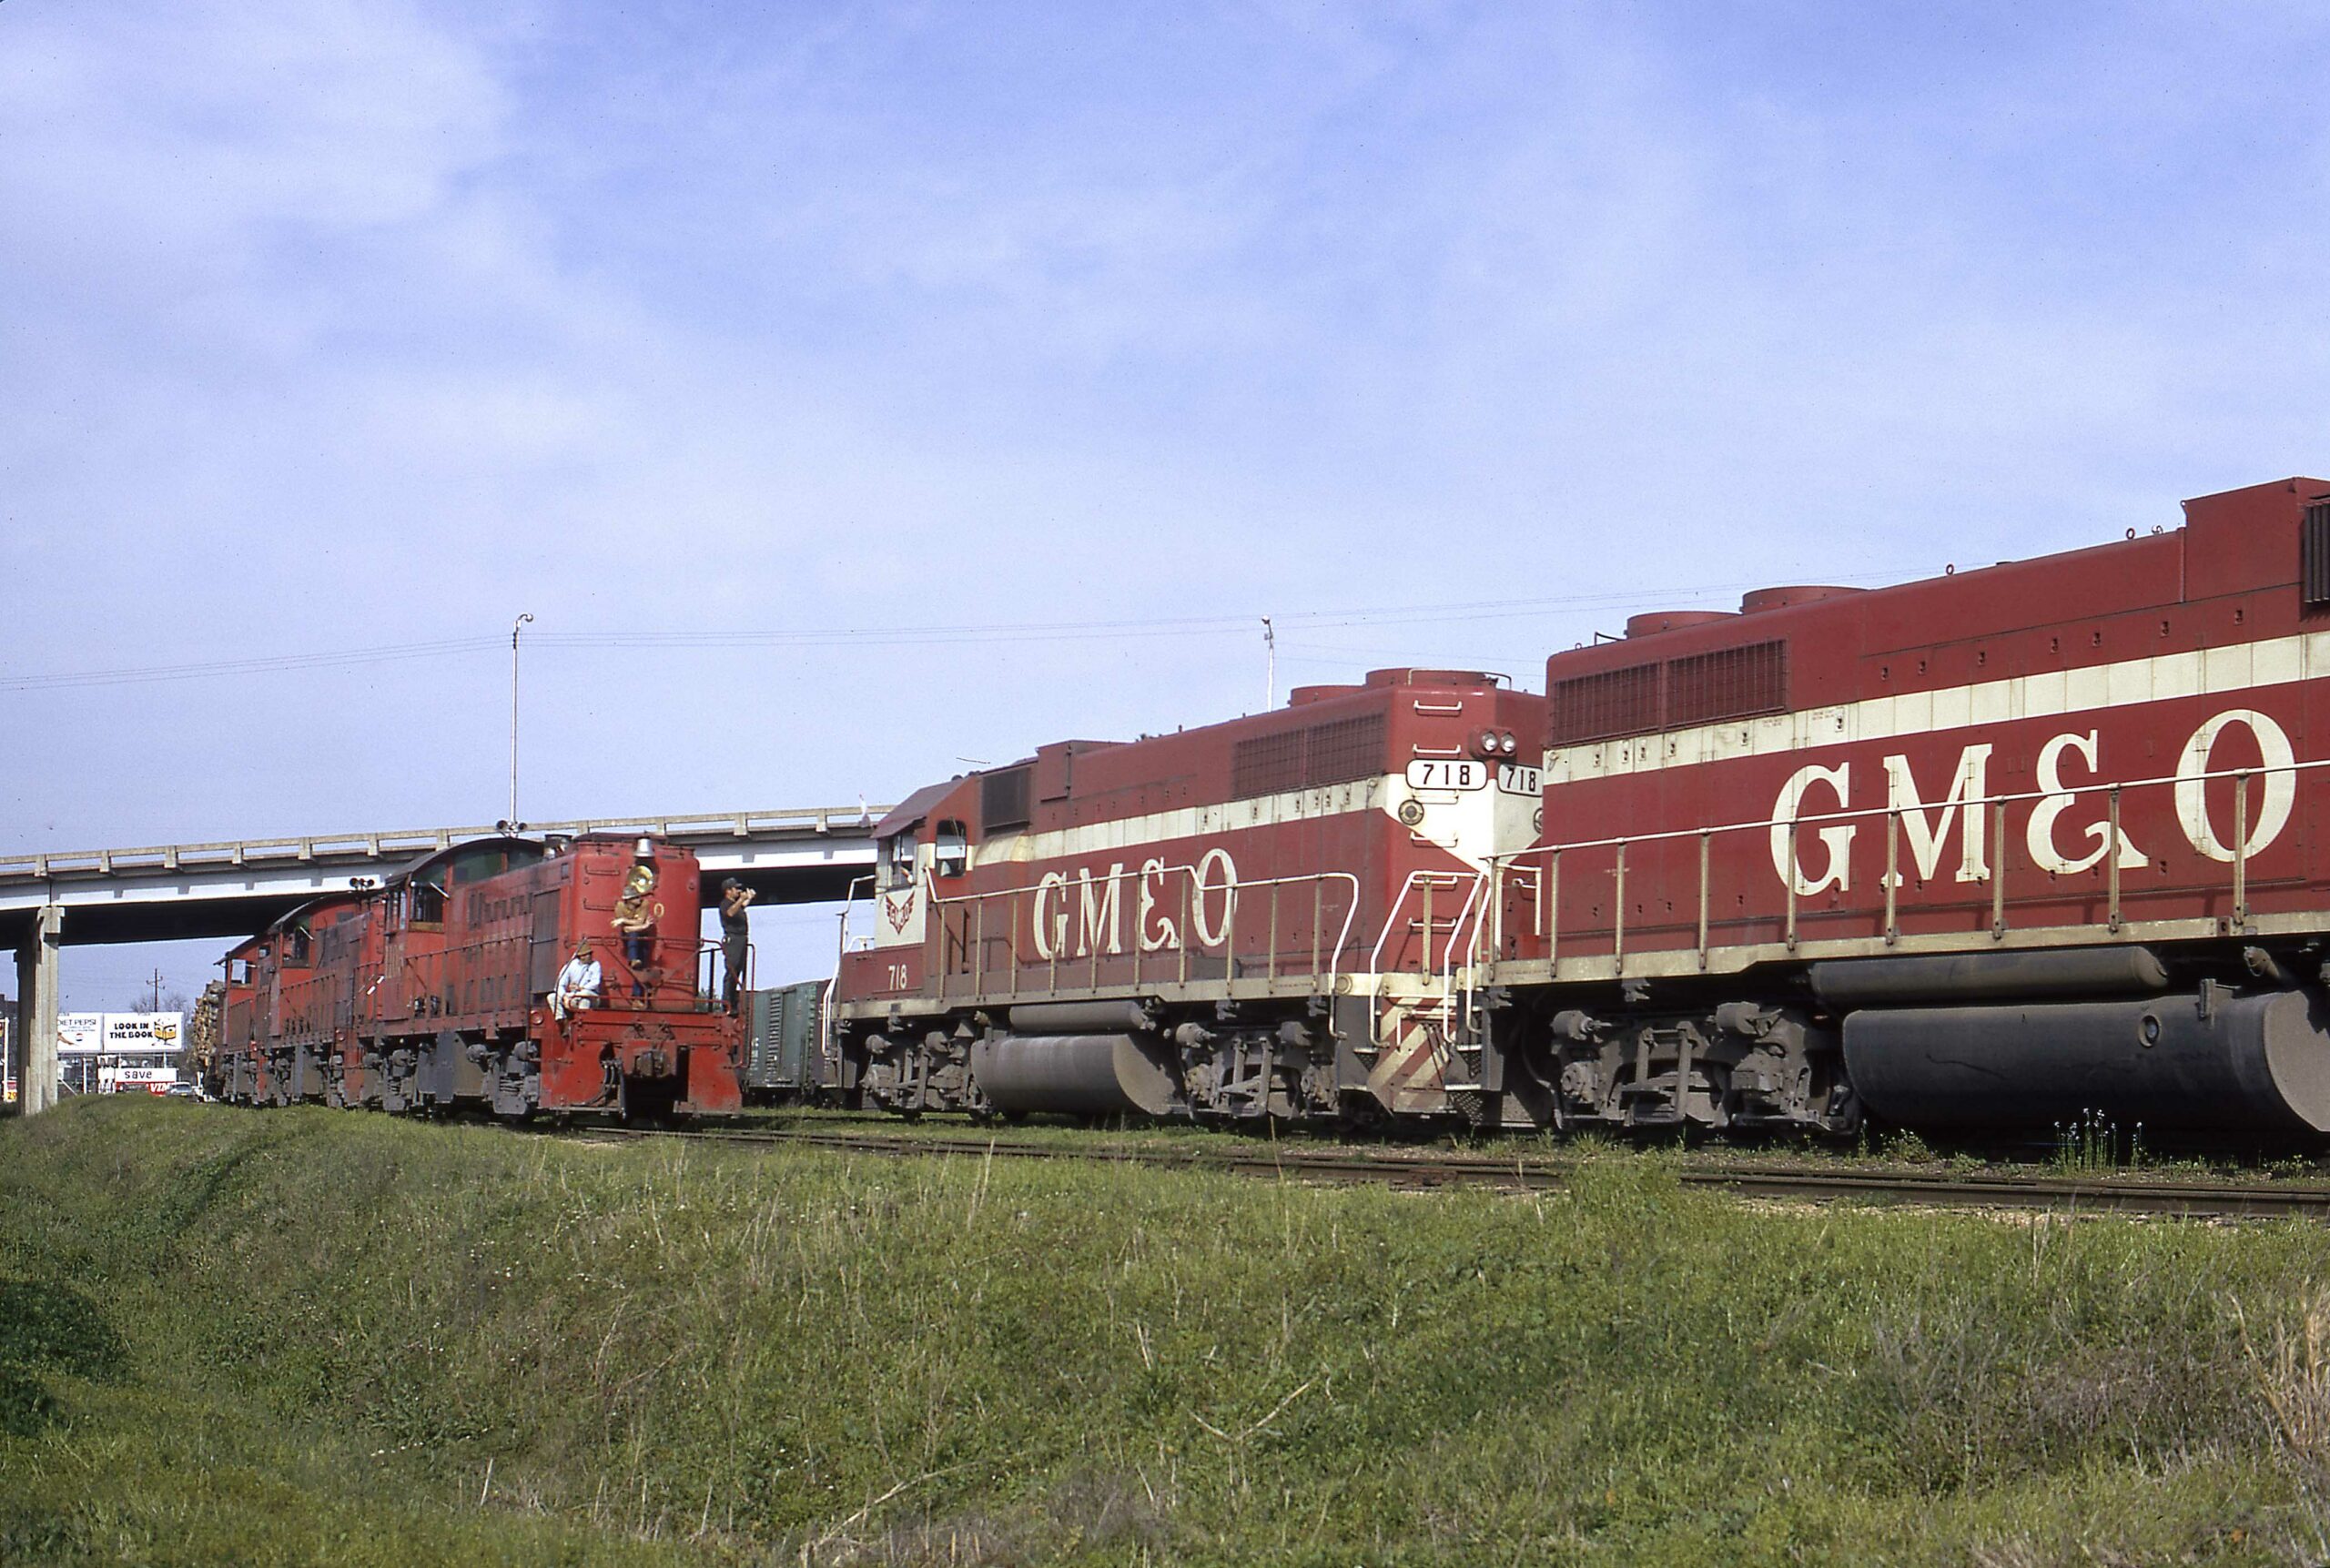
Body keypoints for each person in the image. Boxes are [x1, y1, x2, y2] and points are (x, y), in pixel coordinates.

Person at [612, 864, 657, 999]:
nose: (640, 899)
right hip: (631, 936)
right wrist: (640, 926)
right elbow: (628, 929)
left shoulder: (644, 904)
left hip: (643, 937)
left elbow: (639, 923)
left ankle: (637, 996)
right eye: (636, 897)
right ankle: (633, 959)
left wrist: (625, 921)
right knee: (633, 934)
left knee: (640, 967)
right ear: (629, 900)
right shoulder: (619, 906)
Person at [719, 877, 757, 1014]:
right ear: (728, 891)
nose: (739, 891)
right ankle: (727, 1002)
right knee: (732, 970)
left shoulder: (735, 904)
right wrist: (741, 899)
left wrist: (749, 898)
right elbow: (730, 913)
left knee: (738, 969)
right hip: (733, 939)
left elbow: (741, 907)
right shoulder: (725, 904)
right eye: (736, 889)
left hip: (741, 940)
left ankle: (734, 1002)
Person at [551, 943, 602, 1022]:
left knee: (585, 999)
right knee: (552, 997)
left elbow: (595, 982)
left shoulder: (595, 965)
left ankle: (582, 1022)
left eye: (588, 954)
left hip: (590, 995)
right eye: (584, 955)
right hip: (573, 997)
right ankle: (561, 1020)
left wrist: (581, 988)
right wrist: (564, 996)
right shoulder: (570, 965)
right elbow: (560, 984)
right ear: (579, 957)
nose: (587, 957)